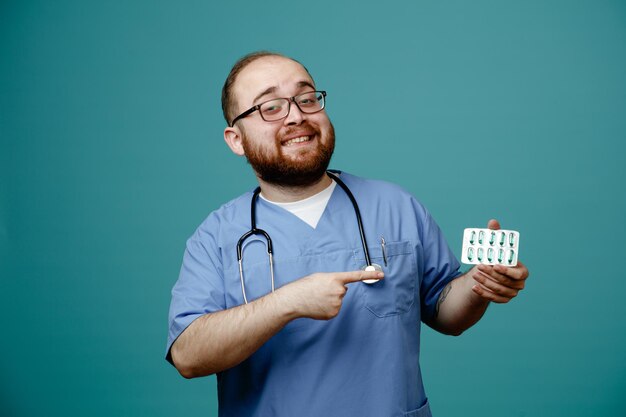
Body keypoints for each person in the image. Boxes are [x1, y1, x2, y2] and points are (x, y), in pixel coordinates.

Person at [165, 51, 529, 417]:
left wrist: (480, 284)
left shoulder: (395, 205)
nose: (296, 115)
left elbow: (447, 311)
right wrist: (287, 302)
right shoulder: (216, 236)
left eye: (306, 98)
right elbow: (188, 356)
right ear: (236, 139)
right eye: (271, 107)